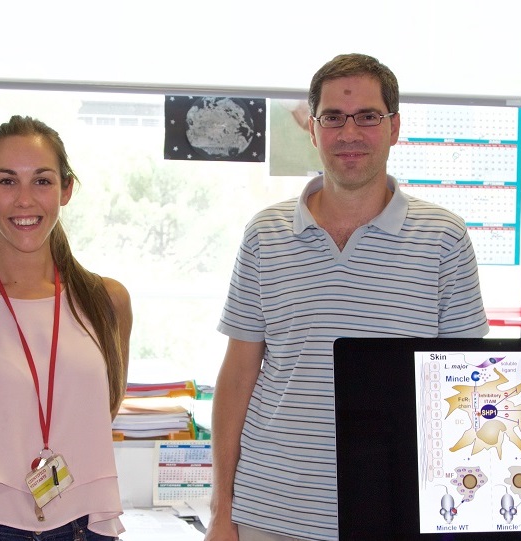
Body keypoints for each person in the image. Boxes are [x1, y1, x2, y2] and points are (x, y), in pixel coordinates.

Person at [207, 53, 490, 541]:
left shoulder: (444, 238)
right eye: (333, 117)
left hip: (397, 510)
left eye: (368, 117)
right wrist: (221, 511)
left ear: (394, 127)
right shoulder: (265, 234)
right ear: (313, 130)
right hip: (269, 510)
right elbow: (237, 379)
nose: (349, 133)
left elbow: (469, 388)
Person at [0, 116, 132, 541]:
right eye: (7, 181)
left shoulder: (107, 301)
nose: (25, 200)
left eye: (41, 181)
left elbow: (101, 409)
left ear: (66, 189)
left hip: (86, 525)